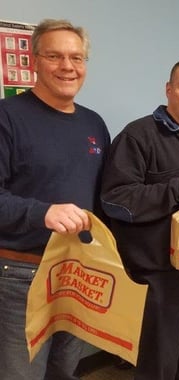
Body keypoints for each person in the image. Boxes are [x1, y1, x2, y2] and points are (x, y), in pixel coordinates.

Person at [0, 19, 110, 380]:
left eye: (77, 58)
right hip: (20, 274)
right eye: (55, 56)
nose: (67, 67)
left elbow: (104, 196)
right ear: (34, 61)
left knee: (65, 370)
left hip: (77, 272)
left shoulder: (94, 124)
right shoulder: (7, 117)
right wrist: (42, 212)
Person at [100, 59, 179, 380]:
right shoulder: (138, 136)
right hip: (159, 276)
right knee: (158, 364)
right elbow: (116, 199)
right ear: (169, 90)